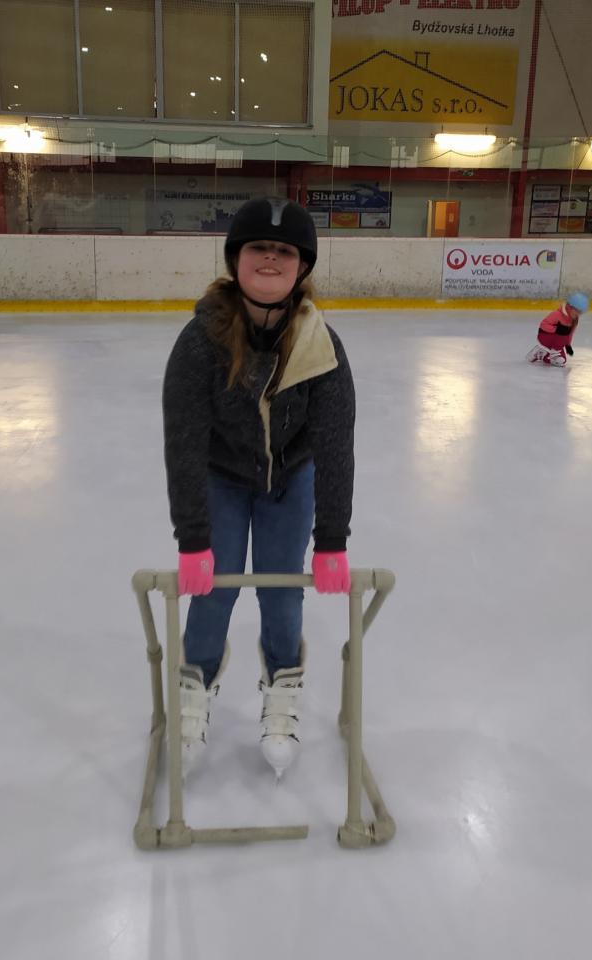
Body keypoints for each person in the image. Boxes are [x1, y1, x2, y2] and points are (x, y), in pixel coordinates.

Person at [161, 197, 356, 779]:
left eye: (284, 251)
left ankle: (281, 690)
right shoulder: (200, 342)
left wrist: (332, 540)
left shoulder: (322, 346)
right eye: (258, 248)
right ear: (235, 259)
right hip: (221, 478)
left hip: (289, 482)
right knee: (213, 591)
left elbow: (335, 445)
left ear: (302, 266)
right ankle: (194, 690)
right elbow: (184, 443)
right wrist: (193, 539)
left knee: (282, 593)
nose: (270, 259)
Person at [526, 292, 589, 366]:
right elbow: (543, 325)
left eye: (580, 312)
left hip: (558, 342)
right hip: (545, 337)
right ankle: (549, 352)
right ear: (570, 307)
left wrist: (568, 345)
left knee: (562, 360)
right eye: (577, 311)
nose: (578, 315)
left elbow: (570, 333)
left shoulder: (574, 320)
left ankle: (541, 354)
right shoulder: (557, 314)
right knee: (563, 331)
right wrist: (556, 329)